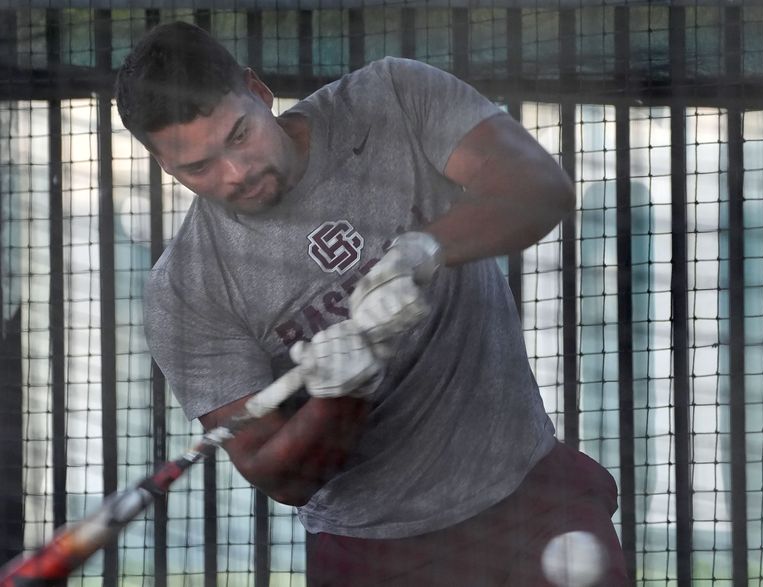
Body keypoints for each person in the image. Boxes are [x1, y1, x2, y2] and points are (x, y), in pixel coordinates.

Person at [116, 21, 627, 586]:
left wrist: (426, 250)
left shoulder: (392, 96)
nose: (236, 172)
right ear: (165, 167)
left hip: (528, 496)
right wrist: (344, 392)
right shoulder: (185, 289)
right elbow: (276, 476)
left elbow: (538, 186)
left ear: (259, 92)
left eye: (239, 135)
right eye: (198, 167)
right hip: (370, 552)